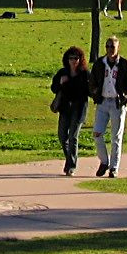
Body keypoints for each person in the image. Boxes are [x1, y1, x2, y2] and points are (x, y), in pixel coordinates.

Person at [88, 35, 127, 177]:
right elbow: (92, 82)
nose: (110, 49)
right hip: (103, 102)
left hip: (117, 103)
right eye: (108, 46)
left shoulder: (124, 64)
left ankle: (113, 168)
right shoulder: (100, 64)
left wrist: (125, 100)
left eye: (112, 46)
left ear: (118, 48)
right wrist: (95, 93)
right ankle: (104, 161)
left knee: (116, 137)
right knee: (97, 134)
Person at [50, 46, 90, 175]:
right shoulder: (62, 73)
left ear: (80, 59)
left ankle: (71, 166)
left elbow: (88, 91)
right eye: (71, 58)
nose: (73, 61)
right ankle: (69, 159)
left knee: (73, 136)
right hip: (65, 108)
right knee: (62, 136)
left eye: (76, 58)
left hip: (78, 109)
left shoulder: (84, 74)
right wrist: (60, 82)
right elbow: (54, 88)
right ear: (67, 60)